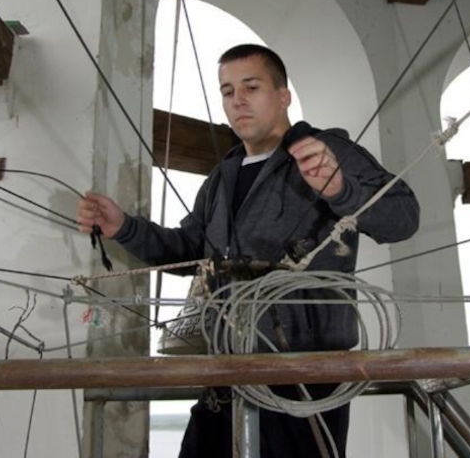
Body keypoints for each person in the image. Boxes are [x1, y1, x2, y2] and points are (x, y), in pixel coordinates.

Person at [77, 44, 420, 458]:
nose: (237, 100)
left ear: (283, 96)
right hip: (226, 367)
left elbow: (404, 218)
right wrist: (123, 227)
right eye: (227, 91)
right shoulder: (221, 177)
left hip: (305, 373)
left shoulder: (330, 152)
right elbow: (190, 251)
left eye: (251, 87)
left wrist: (341, 190)